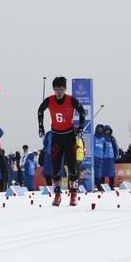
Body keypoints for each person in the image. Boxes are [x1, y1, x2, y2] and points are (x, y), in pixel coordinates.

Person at [37, 76, 86, 206]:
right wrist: (41, 126)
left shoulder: (71, 100)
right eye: (56, 89)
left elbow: (82, 112)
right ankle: (57, 194)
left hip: (69, 137)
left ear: (65, 89)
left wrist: (80, 127)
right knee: (55, 168)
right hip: (56, 137)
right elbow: (40, 110)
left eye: (61, 89)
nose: (58, 92)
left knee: (72, 168)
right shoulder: (50, 100)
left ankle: (73, 194)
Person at [102, 125, 119, 189]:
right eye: (106, 131)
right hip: (103, 159)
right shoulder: (102, 138)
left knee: (111, 173)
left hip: (111, 159)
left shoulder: (112, 138)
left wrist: (116, 156)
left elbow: (116, 147)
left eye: (109, 131)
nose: (107, 132)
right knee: (102, 173)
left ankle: (112, 186)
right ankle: (102, 186)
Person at [93, 124, 105, 188]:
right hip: (94, 157)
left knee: (99, 171)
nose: (100, 130)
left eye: (101, 129)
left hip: (101, 157)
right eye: (99, 129)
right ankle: (95, 183)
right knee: (94, 171)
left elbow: (104, 148)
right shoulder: (93, 137)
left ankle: (98, 183)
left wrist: (103, 154)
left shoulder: (103, 139)